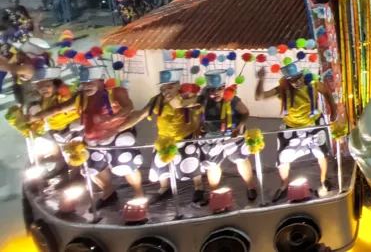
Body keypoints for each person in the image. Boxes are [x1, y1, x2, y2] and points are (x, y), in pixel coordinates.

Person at [33, 65, 143, 206]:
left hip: (116, 135)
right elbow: (59, 108)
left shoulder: (115, 92)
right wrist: (35, 117)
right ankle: (108, 193)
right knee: (93, 169)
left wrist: (112, 118)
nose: (87, 86)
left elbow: (129, 107)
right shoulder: (81, 97)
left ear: (100, 81)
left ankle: (138, 193)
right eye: (84, 83)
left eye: (91, 82)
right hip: (92, 138)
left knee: (127, 165)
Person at [118, 68, 205, 202]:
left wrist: (197, 126)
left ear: (177, 85)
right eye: (163, 88)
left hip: (185, 136)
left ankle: (199, 187)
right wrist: (117, 129)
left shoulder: (188, 96)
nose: (166, 91)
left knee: (190, 164)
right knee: (160, 165)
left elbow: (188, 105)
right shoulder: (156, 100)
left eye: (170, 87)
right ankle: (165, 188)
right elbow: (139, 115)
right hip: (163, 138)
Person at [256, 63, 337, 201]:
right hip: (291, 127)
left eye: (299, 78)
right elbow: (260, 97)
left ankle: (324, 180)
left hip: (313, 124)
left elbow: (327, 92)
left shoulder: (314, 84)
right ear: (288, 81)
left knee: (321, 153)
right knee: (282, 158)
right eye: (293, 80)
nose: (297, 82)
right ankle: (284, 186)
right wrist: (261, 79)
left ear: (302, 75)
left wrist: (333, 111)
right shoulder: (282, 90)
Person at [197, 70, 258, 202]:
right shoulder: (202, 100)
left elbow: (245, 113)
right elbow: (195, 114)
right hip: (211, 136)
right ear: (207, 90)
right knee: (212, 165)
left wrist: (239, 126)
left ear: (224, 88)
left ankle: (250, 186)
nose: (216, 92)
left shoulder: (233, 99)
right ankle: (214, 192)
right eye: (212, 90)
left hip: (232, 134)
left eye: (219, 89)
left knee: (240, 159)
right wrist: (199, 126)